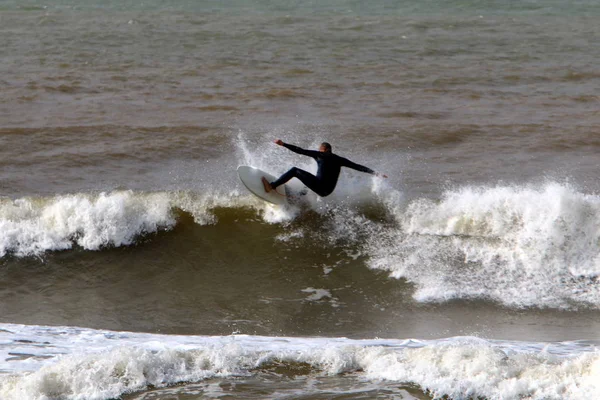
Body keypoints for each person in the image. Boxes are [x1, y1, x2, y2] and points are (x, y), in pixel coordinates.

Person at [262, 139, 387, 197]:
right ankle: (299, 196)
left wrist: (283, 144)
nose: (319, 151)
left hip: (321, 187)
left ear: (324, 149)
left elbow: (300, 151)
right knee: (311, 178)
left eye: (320, 149)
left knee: (295, 170)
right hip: (327, 191)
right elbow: (358, 167)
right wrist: (376, 173)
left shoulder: (320, 155)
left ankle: (271, 186)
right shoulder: (340, 159)